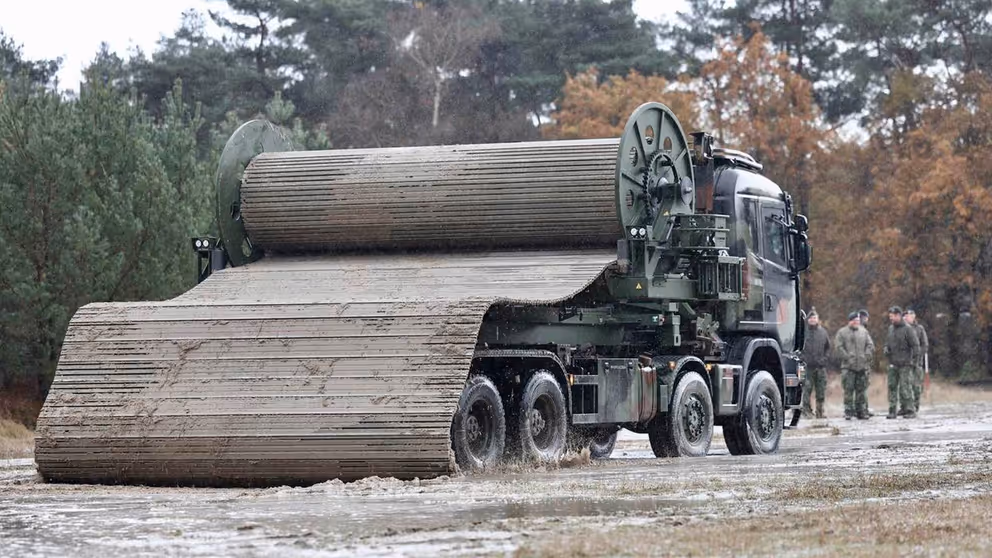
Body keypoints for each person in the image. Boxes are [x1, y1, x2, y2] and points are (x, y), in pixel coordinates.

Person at [834, 311, 874, 420]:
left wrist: (866, 356)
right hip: (848, 367)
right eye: (854, 320)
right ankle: (848, 411)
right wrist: (847, 358)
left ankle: (861, 411)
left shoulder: (864, 332)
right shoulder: (842, 332)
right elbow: (838, 347)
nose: (857, 322)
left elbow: (870, 345)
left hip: (862, 366)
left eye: (858, 320)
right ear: (850, 321)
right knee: (848, 390)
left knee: (861, 391)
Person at [883, 306, 920, 419]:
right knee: (892, 387)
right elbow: (887, 342)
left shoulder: (908, 329)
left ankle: (910, 409)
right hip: (893, 363)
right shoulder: (890, 329)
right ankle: (892, 410)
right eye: (890, 317)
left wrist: (913, 361)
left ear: (898, 315)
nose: (891, 319)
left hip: (905, 363)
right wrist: (886, 349)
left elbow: (915, 346)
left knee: (905, 387)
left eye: (893, 316)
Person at [801, 309, 831, 419]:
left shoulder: (823, 332)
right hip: (807, 368)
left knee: (821, 390)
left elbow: (828, 348)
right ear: (808, 320)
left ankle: (820, 412)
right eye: (811, 318)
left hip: (820, 367)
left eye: (815, 318)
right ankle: (806, 411)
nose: (813, 320)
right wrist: (803, 359)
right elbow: (798, 349)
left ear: (818, 319)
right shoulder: (803, 333)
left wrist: (824, 359)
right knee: (806, 390)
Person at [904, 308, 929, 412]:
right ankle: (906, 406)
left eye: (909, 315)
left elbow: (925, 344)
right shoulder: (902, 328)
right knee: (905, 385)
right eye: (905, 316)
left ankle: (915, 405)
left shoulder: (919, 329)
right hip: (904, 362)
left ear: (913, 316)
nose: (906, 317)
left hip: (917, 362)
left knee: (916, 385)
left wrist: (918, 355)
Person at [857, 309, 875, 417]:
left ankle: (864, 408)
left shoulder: (863, 330)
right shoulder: (861, 331)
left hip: (864, 363)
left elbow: (870, 347)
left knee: (863, 387)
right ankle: (861, 409)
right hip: (860, 363)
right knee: (861, 387)